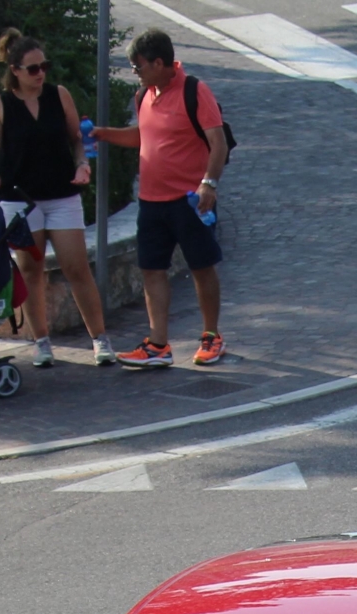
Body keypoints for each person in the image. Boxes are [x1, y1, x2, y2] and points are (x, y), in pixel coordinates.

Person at [88, 29, 229, 370]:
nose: (135, 72)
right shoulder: (144, 95)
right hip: (151, 201)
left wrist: (209, 184)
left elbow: (218, 142)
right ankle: (158, 344)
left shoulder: (195, 91)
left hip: (188, 200)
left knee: (201, 267)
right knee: (152, 269)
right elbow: (145, 136)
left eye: (138, 66)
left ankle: (211, 336)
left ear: (159, 62)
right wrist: (106, 135)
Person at [0, 30, 113, 368]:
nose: (40, 74)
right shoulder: (2, 104)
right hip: (19, 198)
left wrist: (83, 163)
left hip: (61, 193)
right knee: (30, 270)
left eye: (44, 67)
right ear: (15, 70)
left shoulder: (59, 95)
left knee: (76, 266)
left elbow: (77, 140)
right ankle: (41, 341)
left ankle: (100, 339)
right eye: (33, 68)